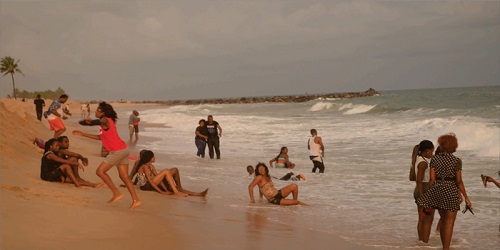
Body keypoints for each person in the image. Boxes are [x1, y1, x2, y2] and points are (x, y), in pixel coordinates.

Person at [73, 102, 141, 209]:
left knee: (100, 171)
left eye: (98, 111)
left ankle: (116, 193)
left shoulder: (106, 120)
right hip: (123, 149)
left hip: (117, 151)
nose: (95, 112)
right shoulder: (105, 124)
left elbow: (101, 120)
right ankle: (136, 200)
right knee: (124, 177)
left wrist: (90, 122)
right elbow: (101, 138)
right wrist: (83, 134)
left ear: (103, 113)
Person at [417, 133, 472, 250]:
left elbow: (432, 179)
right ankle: (446, 248)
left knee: (443, 220)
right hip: (451, 190)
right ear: (454, 145)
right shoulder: (456, 161)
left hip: (437, 189)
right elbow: (458, 181)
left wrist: (431, 194)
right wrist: (466, 197)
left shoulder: (434, 159)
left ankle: (444, 247)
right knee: (449, 222)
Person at [134, 150, 208, 197]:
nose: (155, 158)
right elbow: (150, 181)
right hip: (145, 186)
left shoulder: (151, 166)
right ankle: (176, 192)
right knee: (166, 171)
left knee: (175, 170)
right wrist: (161, 192)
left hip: (152, 183)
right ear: (150, 158)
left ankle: (196, 193)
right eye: (153, 156)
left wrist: (165, 189)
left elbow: (158, 178)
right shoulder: (144, 167)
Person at [411, 140, 435, 243]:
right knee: (428, 220)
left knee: (422, 218)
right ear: (427, 151)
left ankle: (421, 241)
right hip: (424, 190)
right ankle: (424, 242)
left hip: (419, 190)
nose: (432, 154)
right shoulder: (423, 163)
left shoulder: (418, 160)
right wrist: (423, 197)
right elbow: (419, 180)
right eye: (432, 151)